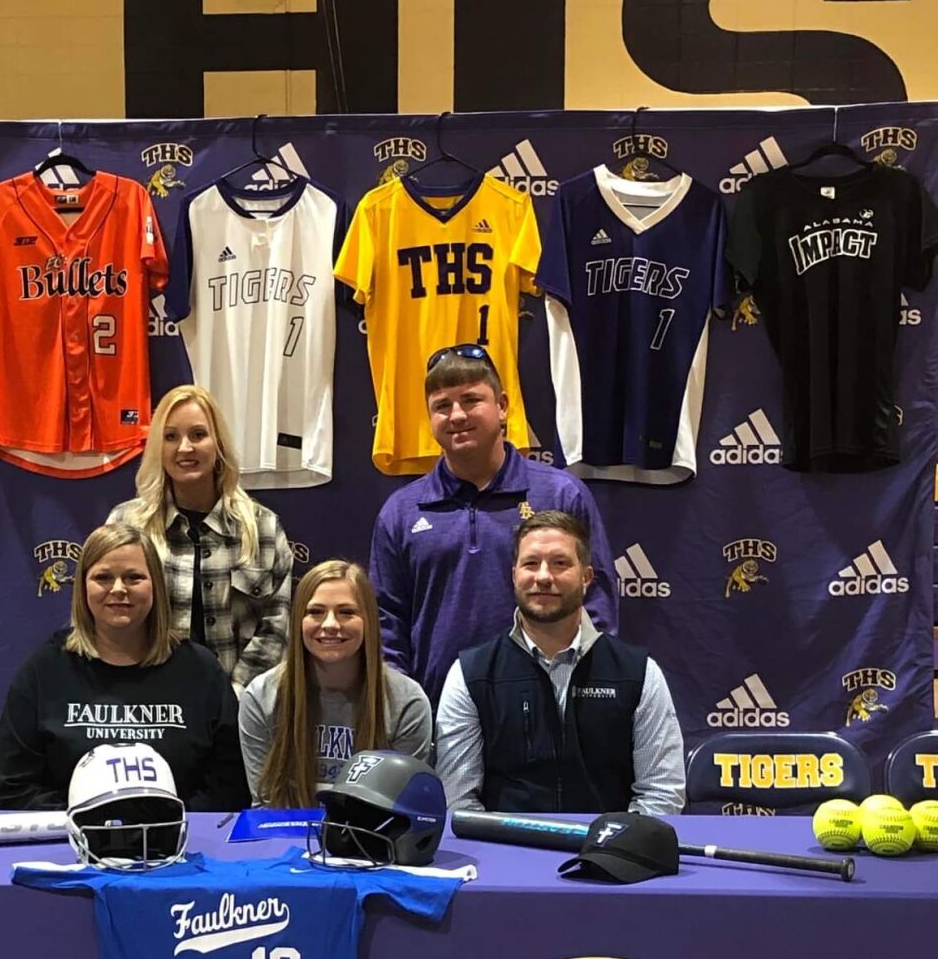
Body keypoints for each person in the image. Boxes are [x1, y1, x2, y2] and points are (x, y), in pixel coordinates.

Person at [369, 346, 618, 709]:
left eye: (471, 400)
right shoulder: (401, 512)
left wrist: (578, 697)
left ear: (502, 406)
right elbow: (386, 620)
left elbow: (596, 603)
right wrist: (405, 707)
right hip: (439, 715)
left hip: (550, 711)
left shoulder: (561, 493)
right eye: (442, 405)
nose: (456, 415)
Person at [435, 511, 685, 815]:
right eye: (531, 563)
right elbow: (457, 801)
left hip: (609, 852)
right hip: (507, 853)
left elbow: (661, 793)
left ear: (586, 577)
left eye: (560, 563)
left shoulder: (639, 673)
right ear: (514, 574)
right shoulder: (471, 674)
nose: (543, 576)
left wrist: (615, 851)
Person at [0, 522, 248, 811]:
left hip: (181, 844)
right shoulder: (45, 669)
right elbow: (15, 783)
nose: (118, 589)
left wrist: (170, 826)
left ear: (156, 585)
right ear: (83, 587)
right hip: (70, 846)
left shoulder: (200, 670)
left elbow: (230, 783)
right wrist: (83, 827)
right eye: (103, 577)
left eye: (133, 577)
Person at [107, 384, 292, 692]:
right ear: (157, 447)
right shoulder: (127, 525)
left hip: (242, 706)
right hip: (147, 703)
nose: (184, 448)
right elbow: (106, 622)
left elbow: (277, 626)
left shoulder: (262, 529)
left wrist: (235, 698)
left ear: (217, 443)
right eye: (171, 437)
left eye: (197, 435)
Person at [240, 560, 431, 805]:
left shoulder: (407, 702)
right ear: (298, 620)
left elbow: (402, 809)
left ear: (369, 622)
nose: (330, 624)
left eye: (347, 612)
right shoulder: (261, 696)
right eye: (315, 612)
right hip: (287, 838)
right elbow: (265, 806)